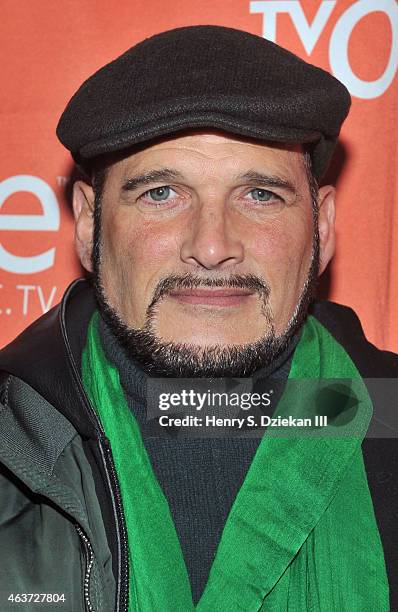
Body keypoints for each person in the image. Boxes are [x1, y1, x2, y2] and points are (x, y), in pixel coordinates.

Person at [0, 25, 397, 612]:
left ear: (323, 226)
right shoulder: (14, 439)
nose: (212, 246)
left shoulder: (391, 420)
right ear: (88, 223)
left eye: (260, 195)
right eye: (161, 193)